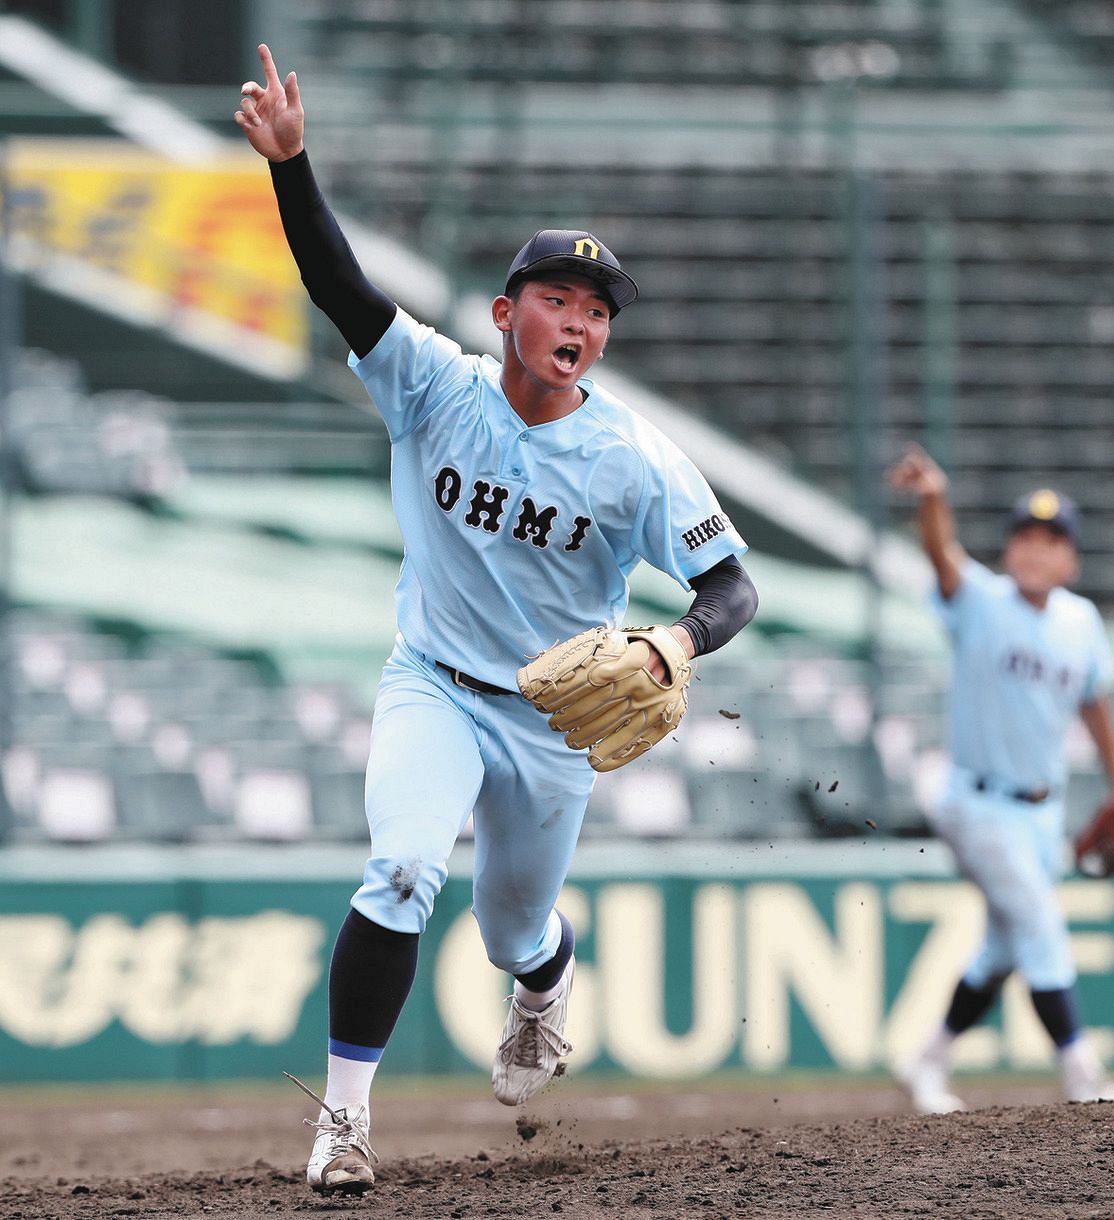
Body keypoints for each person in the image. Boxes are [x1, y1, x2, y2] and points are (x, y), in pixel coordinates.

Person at [235, 45, 759, 1195]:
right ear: (504, 312)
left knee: (512, 928)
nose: (577, 320)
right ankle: (344, 1121)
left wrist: (674, 640)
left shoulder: (633, 457)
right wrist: (291, 167)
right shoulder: (432, 383)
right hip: (430, 680)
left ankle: (539, 987)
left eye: (595, 310)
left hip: (551, 717)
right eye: (556, 299)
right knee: (400, 868)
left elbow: (731, 588)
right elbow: (340, 289)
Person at [887, 442, 1114, 1114]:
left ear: (1072, 559)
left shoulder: (1080, 622)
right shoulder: (982, 601)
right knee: (1038, 920)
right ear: (1008, 550)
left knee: (1002, 947)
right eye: (1024, 536)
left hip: (1041, 811)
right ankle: (1081, 1070)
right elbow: (943, 557)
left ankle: (927, 1061)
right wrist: (935, 501)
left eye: (1051, 539)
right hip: (973, 800)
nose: (1034, 548)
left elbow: (1096, 702)